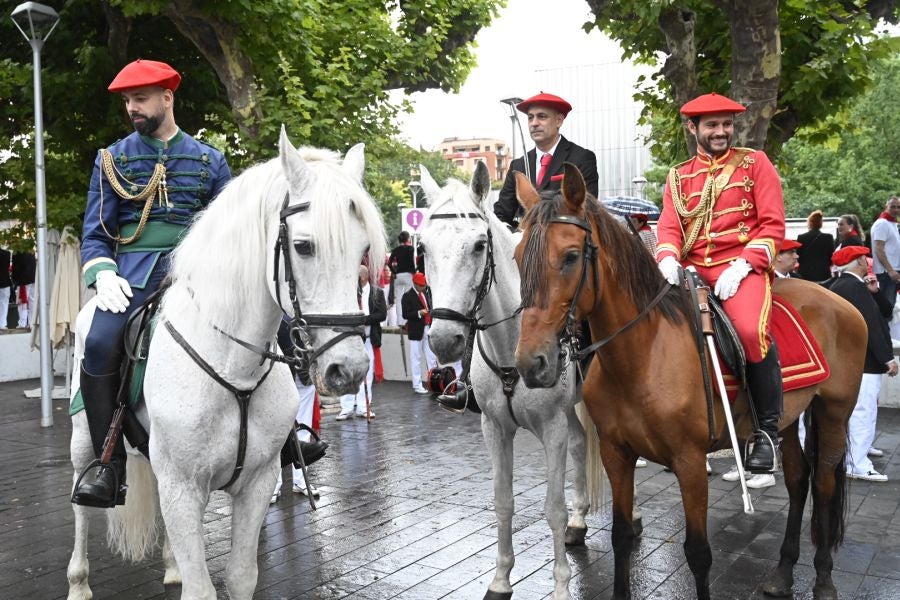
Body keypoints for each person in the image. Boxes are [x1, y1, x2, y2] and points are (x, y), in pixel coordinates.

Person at [71, 59, 232, 508]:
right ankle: (108, 466)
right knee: (101, 342)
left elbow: (230, 230)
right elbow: (95, 232)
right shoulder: (112, 159)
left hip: (199, 271)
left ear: (168, 97)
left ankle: (288, 440)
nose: (132, 108)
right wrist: (102, 272)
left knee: (270, 324)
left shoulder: (209, 160)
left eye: (140, 98)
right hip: (134, 274)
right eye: (127, 101)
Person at [656, 92, 784, 473]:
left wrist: (745, 264)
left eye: (726, 124)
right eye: (712, 125)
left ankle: (766, 433)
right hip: (693, 270)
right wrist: (666, 257)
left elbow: (773, 224)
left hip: (740, 267)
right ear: (693, 128)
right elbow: (669, 226)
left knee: (747, 330)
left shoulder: (754, 163)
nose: (721, 132)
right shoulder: (678, 176)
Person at [828, 246, 898, 481]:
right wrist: (888, 358)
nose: (868, 261)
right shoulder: (854, 287)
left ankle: (854, 458)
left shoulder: (842, 285)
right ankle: (858, 464)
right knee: (863, 413)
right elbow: (873, 325)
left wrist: (875, 292)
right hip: (863, 363)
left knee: (857, 413)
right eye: (865, 258)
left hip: (851, 363)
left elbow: (882, 312)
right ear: (858, 261)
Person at [493, 92, 599, 229]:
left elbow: (587, 210)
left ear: (559, 121)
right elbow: (502, 214)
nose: (534, 123)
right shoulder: (518, 165)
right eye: (530, 118)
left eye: (542, 117)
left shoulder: (581, 158)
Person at [336, 265, 387, 420]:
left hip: (369, 340)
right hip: (351, 339)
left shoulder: (377, 293)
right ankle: (346, 407)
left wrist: (364, 319)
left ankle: (364, 407)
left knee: (368, 374)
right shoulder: (349, 293)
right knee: (347, 372)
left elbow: (382, 315)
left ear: (363, 277)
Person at [402, 272, 438, 394]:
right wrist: (419, 313)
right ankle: (417, 385)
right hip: (416, 329)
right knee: (416, 357)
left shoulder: (425, 294)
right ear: (415, 284)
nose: (423, 287)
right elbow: (405, 314)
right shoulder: (407, 296)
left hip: (427, 327)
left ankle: (434, 382)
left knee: (431, 357)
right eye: (421, 285)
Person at [870, 197, 900, 317]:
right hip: (886, 273)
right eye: (892, 206)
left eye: (898, 207)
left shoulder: (891, 223)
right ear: (886, 207)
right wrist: (890, 270)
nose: (896, 209)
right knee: (886, 309)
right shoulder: (882, 224)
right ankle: (882, 334)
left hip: (891, 271)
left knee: (888, 307)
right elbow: (879, 249)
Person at [796, 210, 834, 282]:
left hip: (805, 273)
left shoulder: (801, 237)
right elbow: (831, 257)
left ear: (809, 223)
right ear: (821, 223)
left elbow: (798, 257)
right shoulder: (828, 237)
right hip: (823, 274)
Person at [388, 231, 416, 326]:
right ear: (408, 239)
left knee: (398, 300)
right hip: (408, 275)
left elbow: (389, 263)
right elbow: (412, 262)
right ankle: (406, 321)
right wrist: (414, 272)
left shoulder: (396, 250)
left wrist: (394, 272)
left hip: (398, 276)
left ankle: (399, 322)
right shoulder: (411, 248)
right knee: (408, 298)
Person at [11, 251, 35, 328]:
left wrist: (15, 280)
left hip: (23, 281)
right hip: (33, 279)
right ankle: (32, 323)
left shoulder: (17, 253)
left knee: (22, 302)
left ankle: (22, 323)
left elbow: (15, 268)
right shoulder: (31, 251)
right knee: (32, 301)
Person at [0, 247, 10, 329]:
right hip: (5, 281)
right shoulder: (7, 253)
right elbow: (7, 266)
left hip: (4, 281)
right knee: (4, 303)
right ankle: (2, 324)